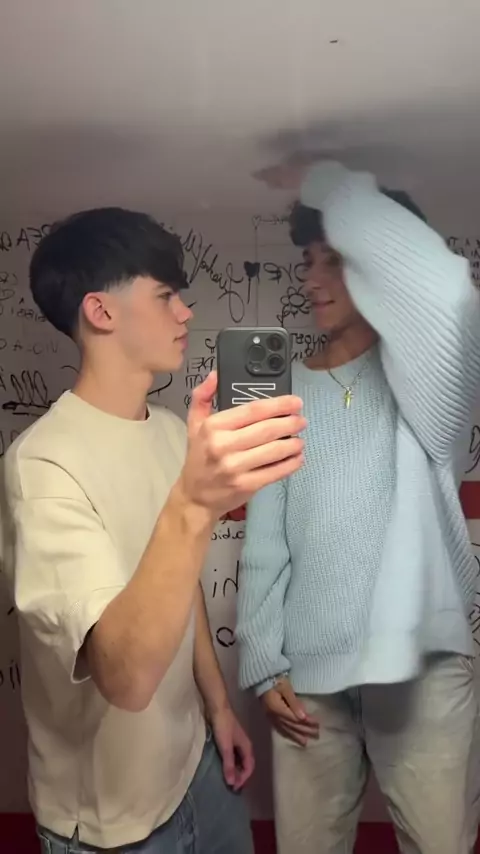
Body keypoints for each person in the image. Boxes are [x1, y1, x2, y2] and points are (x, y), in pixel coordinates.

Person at [0, 207, 305, 853]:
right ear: (101, 311)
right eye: (166, 295)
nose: (186, 313)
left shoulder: (170, 431)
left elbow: (180, 586)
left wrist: (217, 710)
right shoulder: (42, 465)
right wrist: (192, 504)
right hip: (111, 821)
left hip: (197, 766)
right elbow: (126, 679)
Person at [236, 157, 480, 854]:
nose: (310, 279)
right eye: (307, 261)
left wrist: (332, 186)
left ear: (379, 265)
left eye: (334, 259)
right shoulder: (273, 383)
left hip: (422, 671)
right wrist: (262, 659)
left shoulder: (428, 386)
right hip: (307, 683)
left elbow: (446, 291)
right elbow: (265, 536)